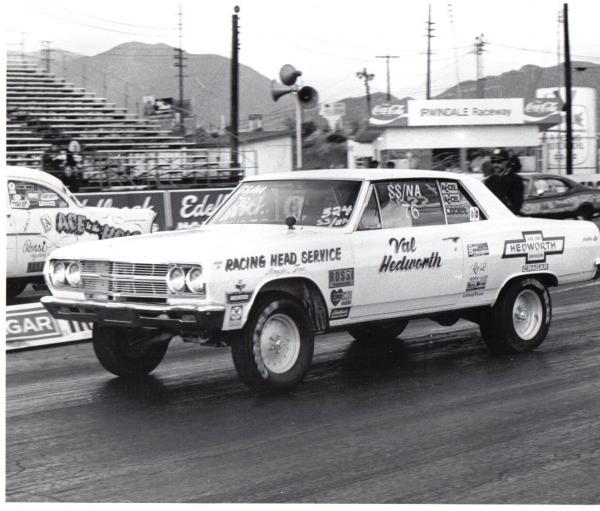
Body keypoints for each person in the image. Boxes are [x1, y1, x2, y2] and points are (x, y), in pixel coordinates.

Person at [483, 148, 524, 215]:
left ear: (507, 161)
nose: (495, 165)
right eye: (493, 162)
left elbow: (517, 205)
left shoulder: (516, 180)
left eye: (499, 161)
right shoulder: (489, 181)